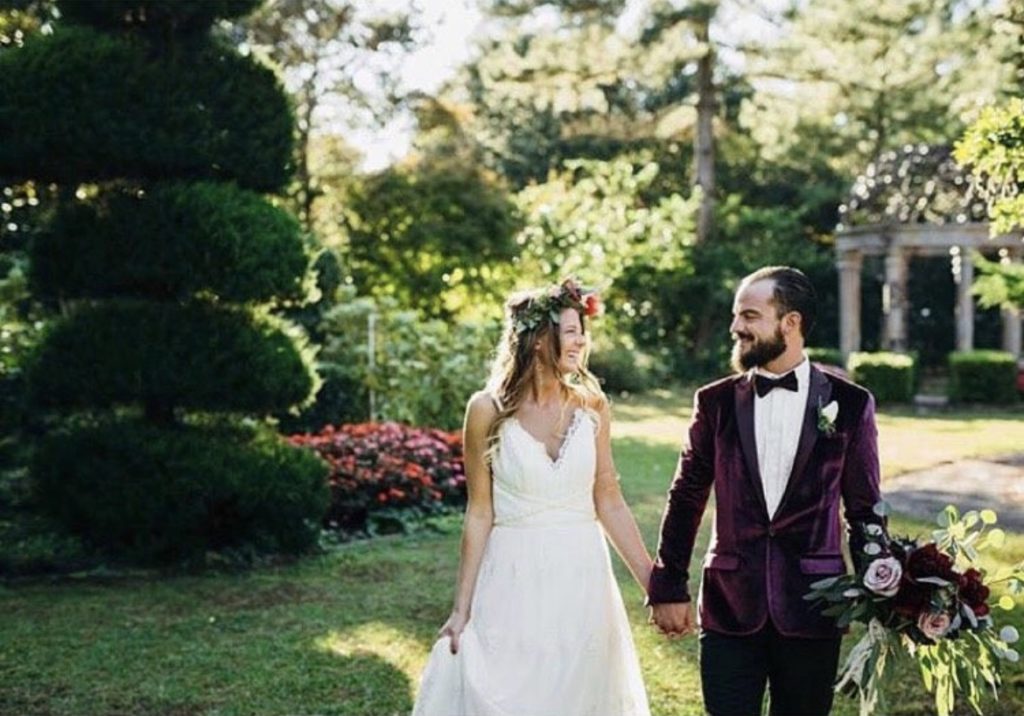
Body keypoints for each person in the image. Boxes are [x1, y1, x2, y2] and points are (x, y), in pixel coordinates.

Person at [647, 266, 886, 716]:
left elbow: (865, 509)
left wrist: (883, 584)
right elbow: (686, 496)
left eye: (750, 316)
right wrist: (668, 584)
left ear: (790, 323)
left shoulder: (851, 405)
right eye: (738, 315)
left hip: (815, 606)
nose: (736, 327)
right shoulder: (713, 403)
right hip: (729, 605)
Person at [412, 278, 652, 716]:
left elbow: (609, 499)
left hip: (583, 575)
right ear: (540, 340)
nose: (582, 340)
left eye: (583, 330)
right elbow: (480, 512)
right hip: (513, 574)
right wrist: (461, 608)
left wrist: (654, 584)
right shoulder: (486, 410)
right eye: (571, 330)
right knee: (514, 693)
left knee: (578, 694)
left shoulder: (592, 405)